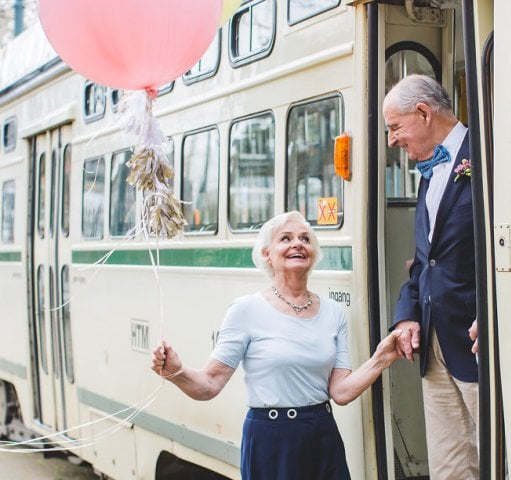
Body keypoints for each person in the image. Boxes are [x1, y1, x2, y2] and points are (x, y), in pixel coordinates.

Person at [150, 210, 402, 480]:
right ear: (267, 254)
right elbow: (209, 385)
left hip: (322, 434)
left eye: (305, 239)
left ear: (313, 254)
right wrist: (175, 371)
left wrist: (381, 358)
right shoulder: (246, 310)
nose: (298, 243)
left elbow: (340, 391)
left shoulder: (334, 313)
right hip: (270, 440)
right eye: (286, 238)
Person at [383, 74, 480, 479]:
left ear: (424, 113)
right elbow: (426, 261)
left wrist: (494, 315)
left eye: (395, 127)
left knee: (502, 455)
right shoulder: (428, 172)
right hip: (434, 346)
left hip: (479, 344)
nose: (392, 140)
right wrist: (407, 315)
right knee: (449, 466)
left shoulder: (489, 153)